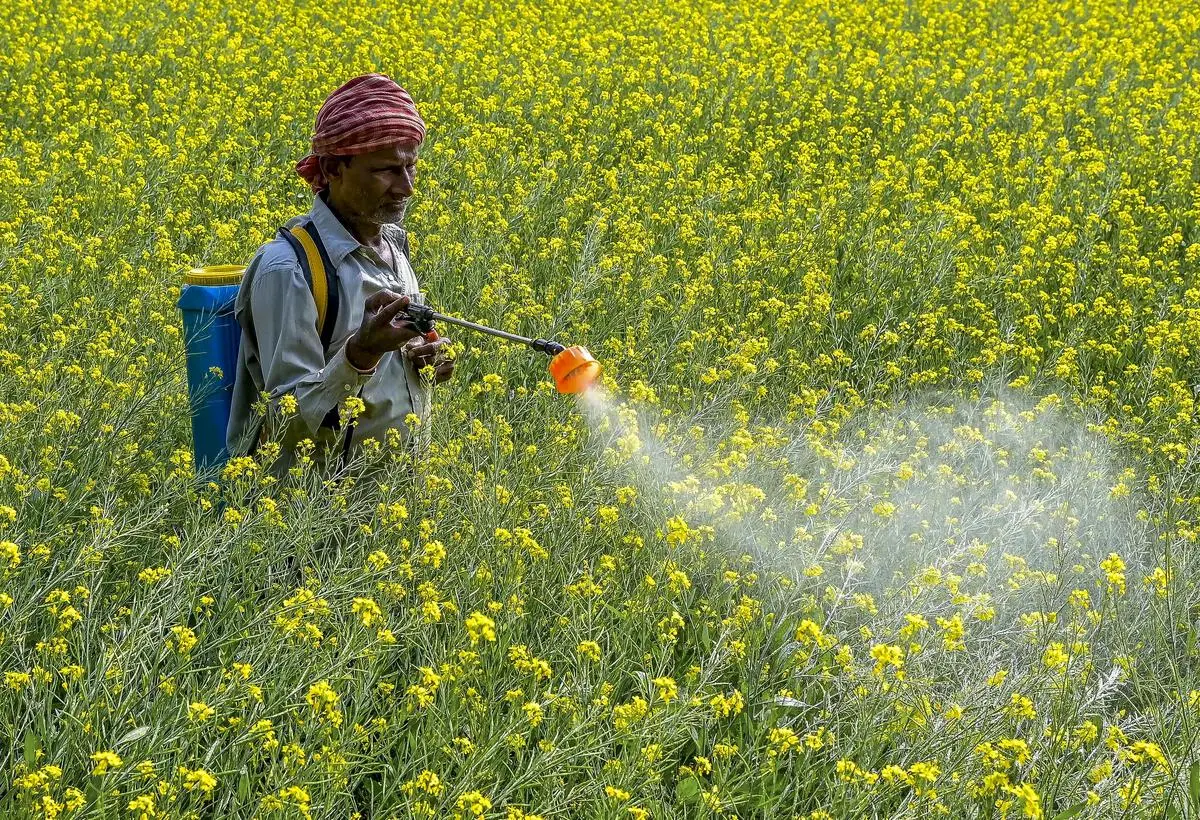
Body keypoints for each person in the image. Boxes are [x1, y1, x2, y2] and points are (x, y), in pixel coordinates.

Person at [226, 73, 454, 476]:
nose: (407, 187)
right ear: (333, 168)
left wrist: (422, 364)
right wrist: (361, 353)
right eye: (386, 170)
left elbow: (383, 383)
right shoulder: (289, 269)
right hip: (310, 517)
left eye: (411, 167)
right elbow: (283, 421)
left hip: (392, 505)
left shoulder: (394, 248)